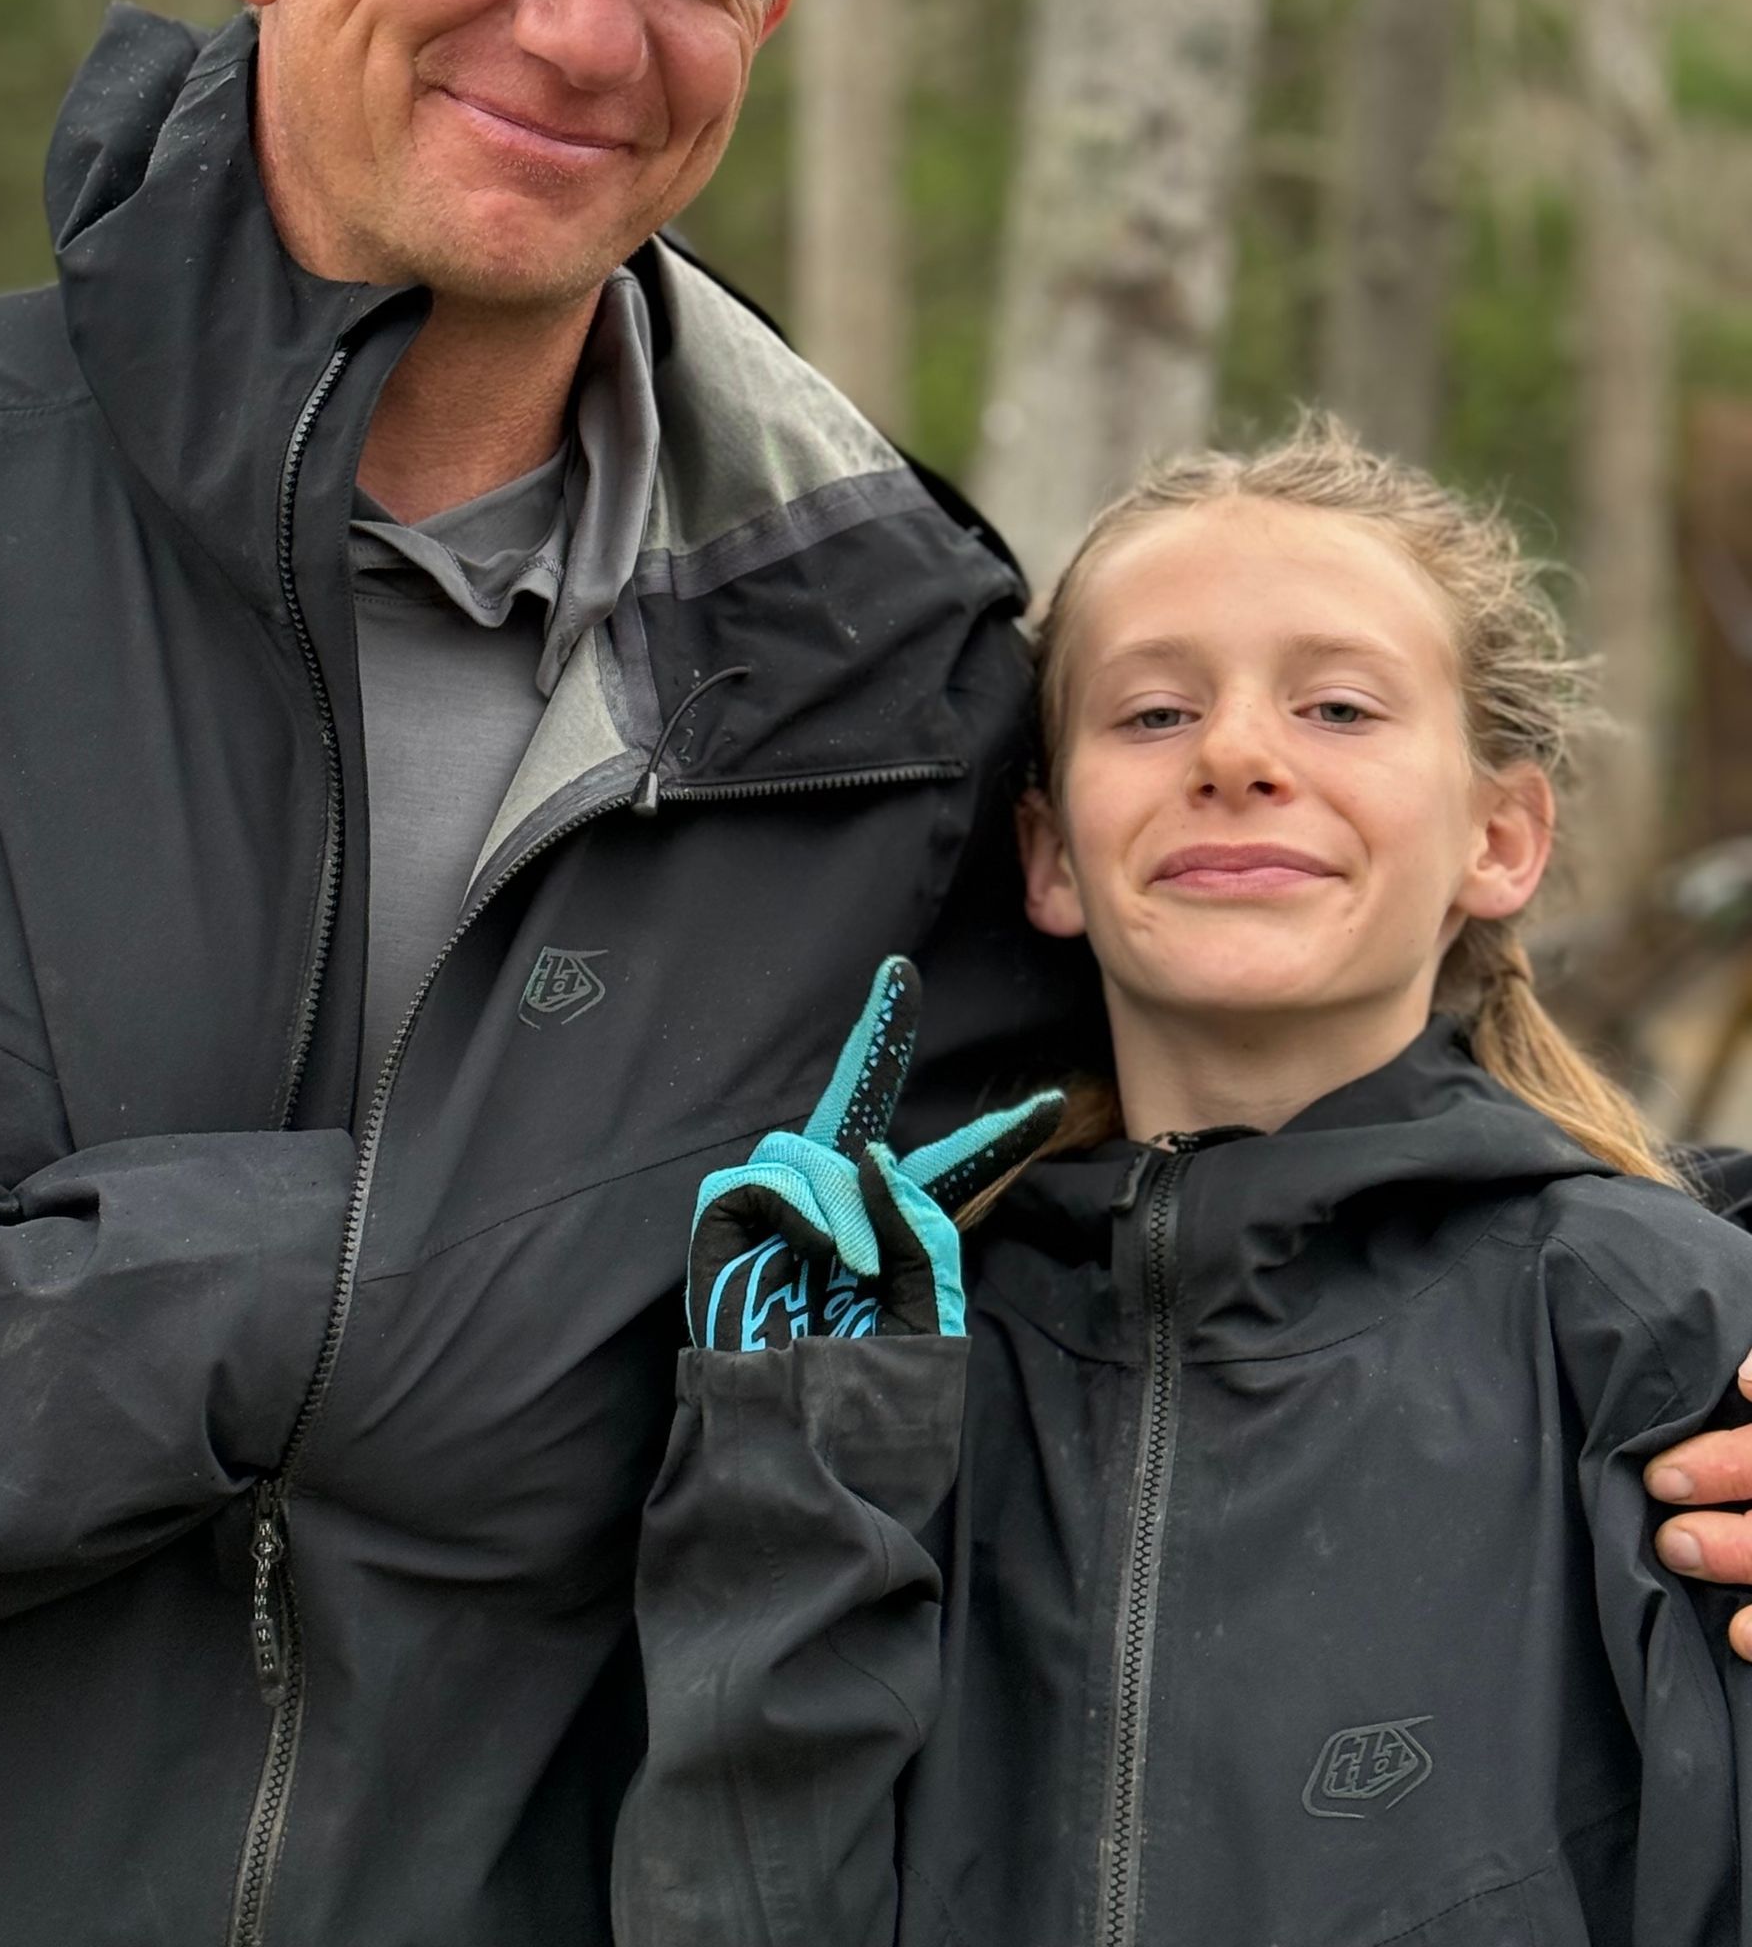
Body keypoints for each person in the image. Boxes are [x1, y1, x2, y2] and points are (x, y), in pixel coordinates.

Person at [0, 0, 1095, 1947]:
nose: (586, 10)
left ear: (775, 9)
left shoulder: (917, 690)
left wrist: (1648, 1383)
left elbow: (1191, 1283)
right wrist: (300, 1296)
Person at [616, 419, 1752, 1947]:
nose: (1235, 754)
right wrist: (790, 1470)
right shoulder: (892, 1358)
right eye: (1152, 714)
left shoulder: (1660, 1326)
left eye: (1339, 706)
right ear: (1052, 856)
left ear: (1502, 836)